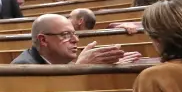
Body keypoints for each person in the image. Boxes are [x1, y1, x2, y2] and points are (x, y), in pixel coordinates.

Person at [10, 14, 140, 65]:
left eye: (74, 34)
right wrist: (81, 67)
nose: (76, 40)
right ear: (43, 40)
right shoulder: (23, 67)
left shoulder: (59, 59)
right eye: (66, 34)